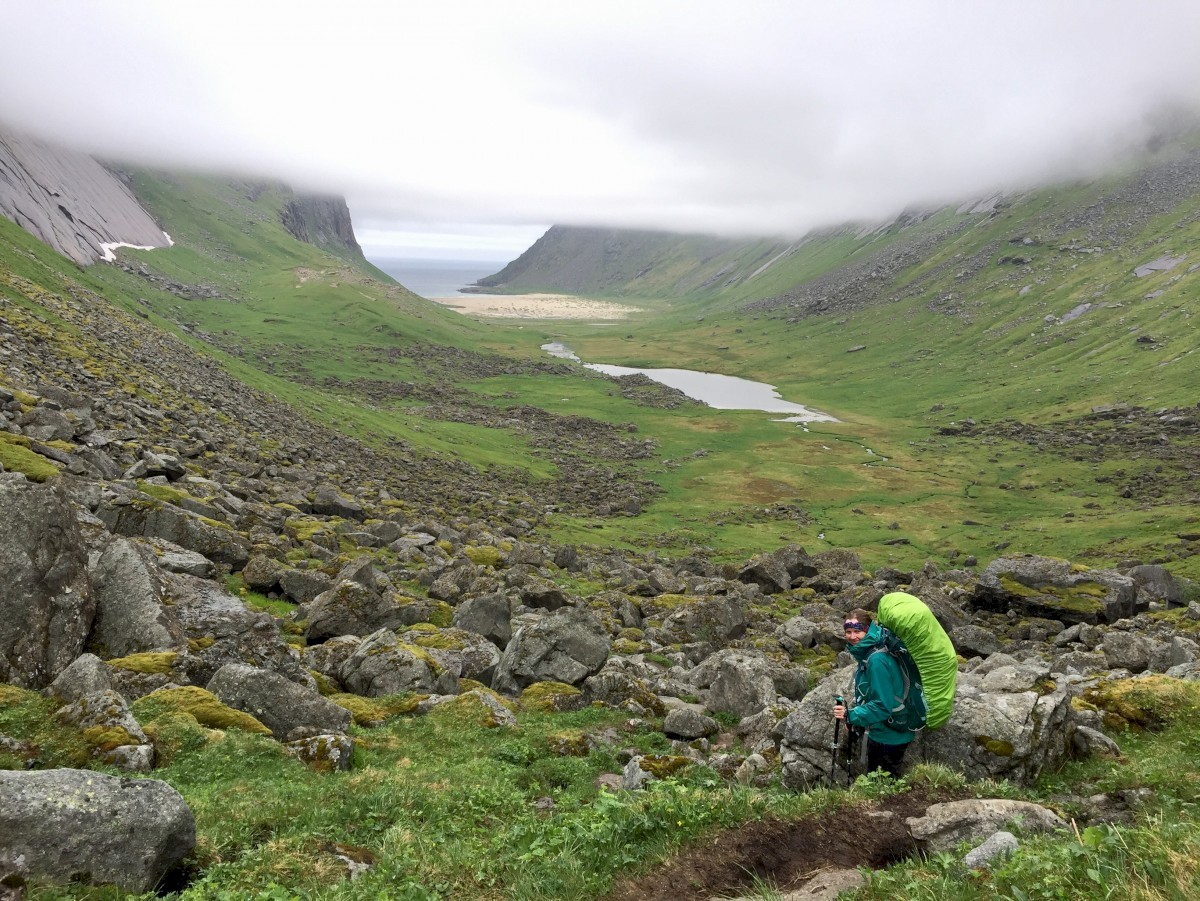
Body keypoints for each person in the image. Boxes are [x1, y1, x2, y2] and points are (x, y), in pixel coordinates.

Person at [832, 608, 914, 778]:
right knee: (882, 784)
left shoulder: (877, 660)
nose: (852, 636)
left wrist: (850, 715)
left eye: (857, 631)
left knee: (882, 786)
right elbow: (870, 694)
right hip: (885, 730)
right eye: (848, 632)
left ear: (868, 630)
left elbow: (882, 706)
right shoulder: (872, 651)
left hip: (888, 736)